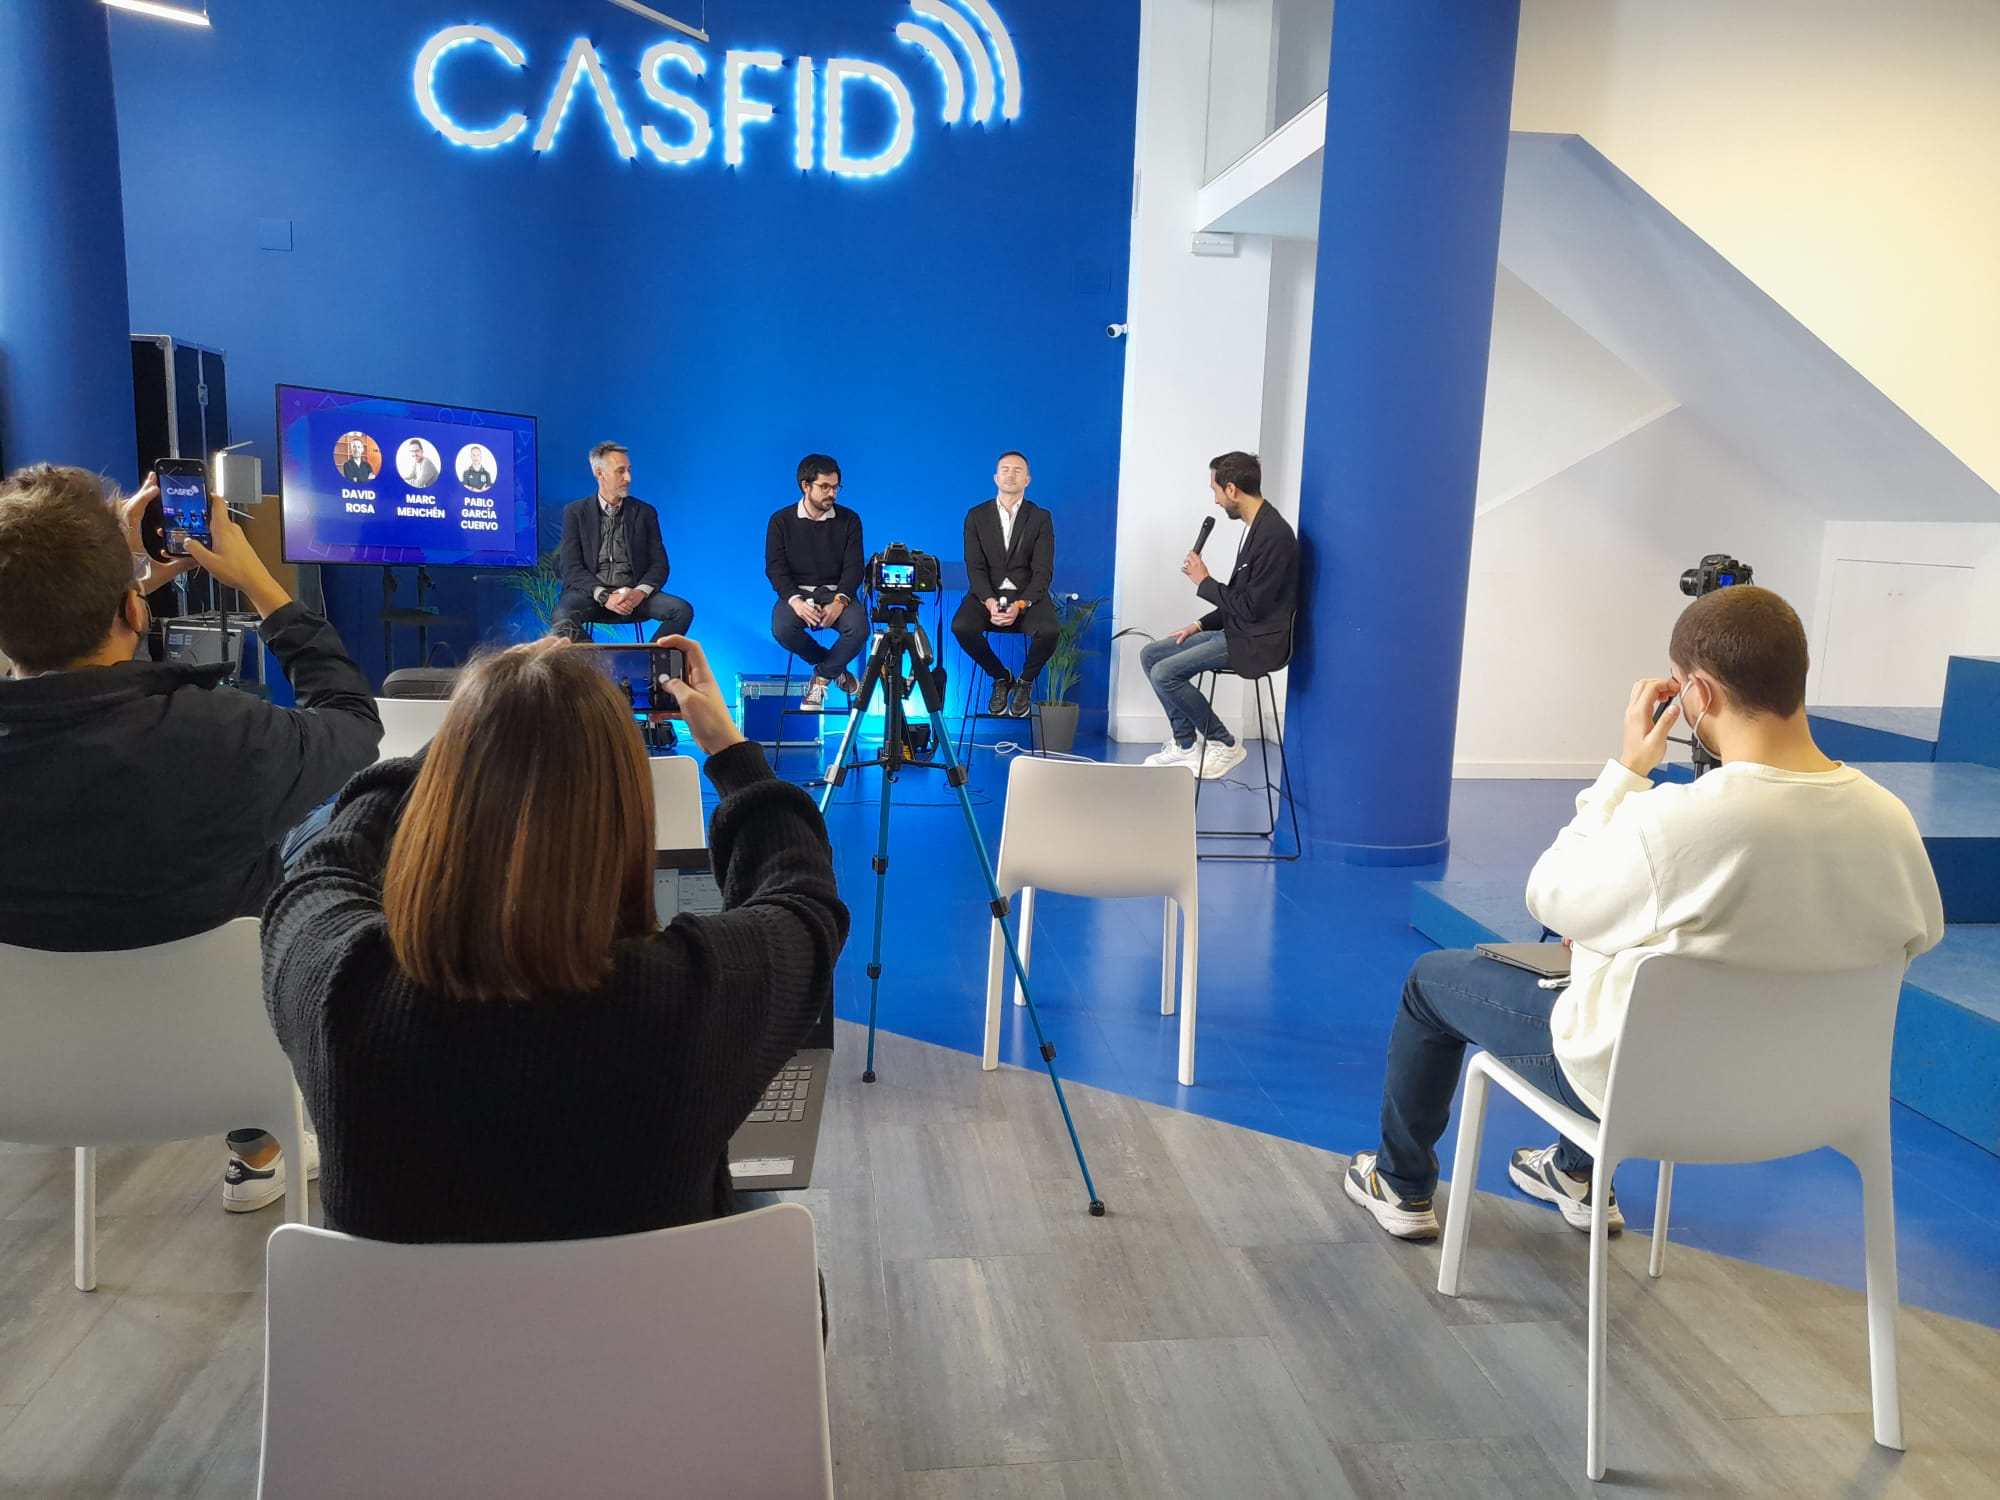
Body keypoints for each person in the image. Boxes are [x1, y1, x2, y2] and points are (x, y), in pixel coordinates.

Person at [1343, 585, 1946, 1241]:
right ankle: (1573, 1173)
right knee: (1626, 954)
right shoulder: (1890, 819)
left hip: (1652, 1091)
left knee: (1431, 982)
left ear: (1699, 695)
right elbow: (1921, 935)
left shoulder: (1680, 821)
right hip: (1810, 1102)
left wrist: (1627, 770)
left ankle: (1400, 1185)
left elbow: (1549, 893)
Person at [260, 636, 849, 1243]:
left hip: (401, 1310)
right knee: (758, 1192)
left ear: (440, 798)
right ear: (625, 812)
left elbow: (326, 862)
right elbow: (803, 899)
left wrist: (469, 734)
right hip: (646, 1308)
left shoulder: (335, 984)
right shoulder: (700, 998)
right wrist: (729, 750)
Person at [0, 464, 382, 1212]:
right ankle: (259, 1138)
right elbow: (351, 720)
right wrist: (261, 585)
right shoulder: (227, 738)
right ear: (132, 611)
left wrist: (117, 582)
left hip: (28, 1084)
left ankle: (257, 1147)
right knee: (323, 829)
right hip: (223, 1064)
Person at [1140, 451, 1298, 781]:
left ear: (1231, 489)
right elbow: (1240, 600)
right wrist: (1198, 625)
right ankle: (1186, 744)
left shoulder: (1274, 535)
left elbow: (1251, 608)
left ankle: (1224, 743)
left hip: (1257, 640)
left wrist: (1204, 582)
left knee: (1165, 673)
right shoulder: (1255, 527)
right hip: (1238, 629)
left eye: (1215, 490)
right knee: (1151, 654)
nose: (1215, 500)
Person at [553, 441, 695, 644]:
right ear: (600, 473)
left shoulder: (645, 512)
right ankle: (598, 664)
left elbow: (659, 565)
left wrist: (639, 592)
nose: (628, 478)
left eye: (628, 470)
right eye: (620, 471)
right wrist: (604, 596)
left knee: (682, 610)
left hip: (634, 596)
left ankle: (647, 660)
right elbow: (570, 567)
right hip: (591, 595)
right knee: (562, 617)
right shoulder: (576, 512)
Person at [951, 450, 1056, 719]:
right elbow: (975, 566)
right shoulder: (976, 516)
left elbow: (1043, 571)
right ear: (996, 477)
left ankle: (1024, 682)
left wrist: (1021, 603)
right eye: (1005, 469)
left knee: (1049, 631)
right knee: (961, 626)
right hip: (986, 595)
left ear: (1027, 480)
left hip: (1026, 597)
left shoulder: (1040, 517)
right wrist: (988, 601)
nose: (1011, 475)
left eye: (1017, 470)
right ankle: (1001, 677)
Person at [765, 454, 866, 710]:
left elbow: (854, 567)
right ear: (805, 486)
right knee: (783, 629)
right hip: (798, 594)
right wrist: (796, 602)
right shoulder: (780, 521)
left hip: (837, 593)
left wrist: (840, 601)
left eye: (836, 487)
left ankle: (821, 679)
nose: (832, 493)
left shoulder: (850, 520)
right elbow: (775, 569)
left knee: (859, 629)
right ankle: (835, 668)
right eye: (825, 487)